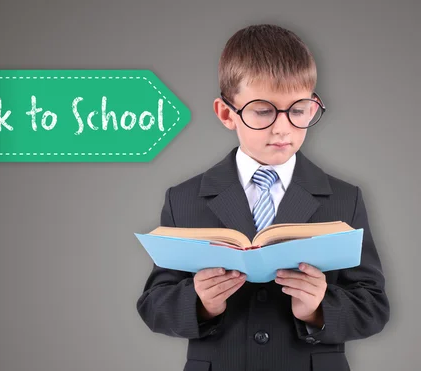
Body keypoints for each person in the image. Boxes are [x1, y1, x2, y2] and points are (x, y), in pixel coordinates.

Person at [135, 24, 390, 371]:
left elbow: (373, 306)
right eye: (263, 110)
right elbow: (154, 304)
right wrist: (199, 302)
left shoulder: (345, 198)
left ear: (313, 107)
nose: (283, 127)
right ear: (227, 113)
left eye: (298, 110)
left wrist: (318, 307)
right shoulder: (184, 198)